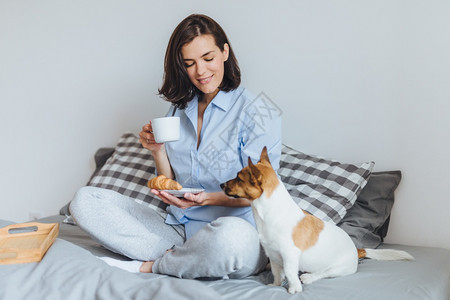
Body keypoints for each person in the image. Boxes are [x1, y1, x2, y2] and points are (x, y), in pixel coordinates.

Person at [70, 14, 281, 279]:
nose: (201, 72)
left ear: (225, 52)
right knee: (85, 201)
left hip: (238, 231)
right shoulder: (180, 109)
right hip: (178, 229)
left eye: (208, 58)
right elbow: (169, 181)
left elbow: (259, 193)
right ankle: (188, 258)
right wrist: (157, 150)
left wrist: (208, 198)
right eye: (189, 63)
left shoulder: (259, 112)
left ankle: (153, 265)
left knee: (231, 240)